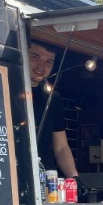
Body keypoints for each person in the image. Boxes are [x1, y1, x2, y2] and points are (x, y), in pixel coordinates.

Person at [28, 40, 79, 179]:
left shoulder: (53, 98)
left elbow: (61, 147)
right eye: (35, 57)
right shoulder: (5, 88)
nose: (41, 66)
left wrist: (74, 179)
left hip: (45, 176)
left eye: (48, 62)